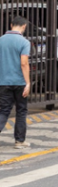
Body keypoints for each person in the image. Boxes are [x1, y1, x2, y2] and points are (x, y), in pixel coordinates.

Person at [0, 16, 31, 149]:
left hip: (3, 82)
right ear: (24, 26)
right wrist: (28, 83)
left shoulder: (1, 40)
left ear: (11, 24)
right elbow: (24, 63)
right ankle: (19, 141)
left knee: (3, 110)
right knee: (21, 111)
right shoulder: (24, 42)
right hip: (19, 82)